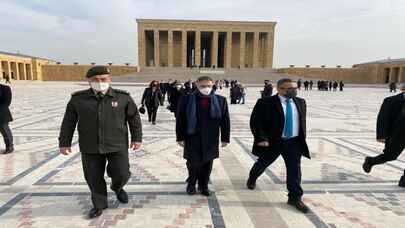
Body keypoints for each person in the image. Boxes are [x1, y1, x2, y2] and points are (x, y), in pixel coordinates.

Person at [58, 66, 142, 219]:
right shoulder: (78, 99)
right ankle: (99, 204)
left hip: (117, 144)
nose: (100, 82)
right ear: (89, 81)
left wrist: (137, 138)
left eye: (103, 79)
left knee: (122, 172)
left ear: (109, 79)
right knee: (93, 177)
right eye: (95, 80)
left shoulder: (123, 97)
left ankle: (117, 187)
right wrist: (64, 142)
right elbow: (68, 122)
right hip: (90, 145)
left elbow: (134, 119)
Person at [246, 78, 310, 213]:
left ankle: (295, 197)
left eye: (295, 88)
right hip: (273, 141)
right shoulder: (265, 102)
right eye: (290, 88)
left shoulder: (300, 102)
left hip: (293, 142)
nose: (294, 91)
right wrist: (261, 138)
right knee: (263, 163)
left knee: (294, 170)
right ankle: (252, 177)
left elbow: (301, 121)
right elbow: (256, 122)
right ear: (280, 89)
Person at [176, 76, 230, 197]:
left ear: (213, 85)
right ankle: (191, 183)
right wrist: (180, 137)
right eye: (203, 86)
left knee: (207, 163)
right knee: (193, 163)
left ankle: (203, 185)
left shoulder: (220, 100)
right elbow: (181, 120)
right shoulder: (187, 99)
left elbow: (225, 120)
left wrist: (225, 138)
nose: (206, 88)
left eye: (209, 86)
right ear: (197, 85)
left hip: (211, 138)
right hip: (192, 136)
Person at [362, 83, 405, 186]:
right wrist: (381, 135)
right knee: (390, 155)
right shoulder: (390, 101)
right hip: (397, 135)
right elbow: (382, 119)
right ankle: (371, 161)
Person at [0, 82, 14, 154]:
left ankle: (9, 147)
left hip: (2, 114)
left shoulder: (5, 88)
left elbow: (7, 102)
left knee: (5, 132)